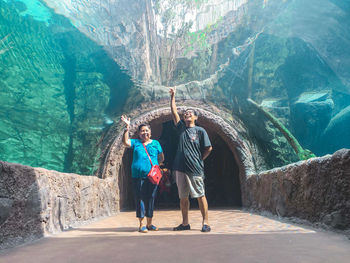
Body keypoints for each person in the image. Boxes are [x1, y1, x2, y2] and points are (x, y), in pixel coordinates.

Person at [169, 87, 213, 232]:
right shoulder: (181, 128)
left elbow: (208, 148)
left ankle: (205, 223)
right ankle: (185, 223)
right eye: (185, 114)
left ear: (195, 118)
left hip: (195, 168)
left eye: (190, 113)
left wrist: (200, 159)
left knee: (200, 195)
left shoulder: (200, 131)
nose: (187, 114)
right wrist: (173, 96)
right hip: (180, 168)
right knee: (183, 197)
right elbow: (174, 112)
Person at [121, 115, 164, 233]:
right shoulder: (136, 143)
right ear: (139, 133)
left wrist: (155, 167)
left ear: (150, 132)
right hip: (138, 176)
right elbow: (125, 142)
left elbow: (161, 157)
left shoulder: (156, 143)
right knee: (140, 198)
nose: (145, 133)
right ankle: (141, 224)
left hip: (152, 177)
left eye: (147, 130)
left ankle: (150, 223)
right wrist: (127, 128)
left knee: (151, 198)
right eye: (142, 131)